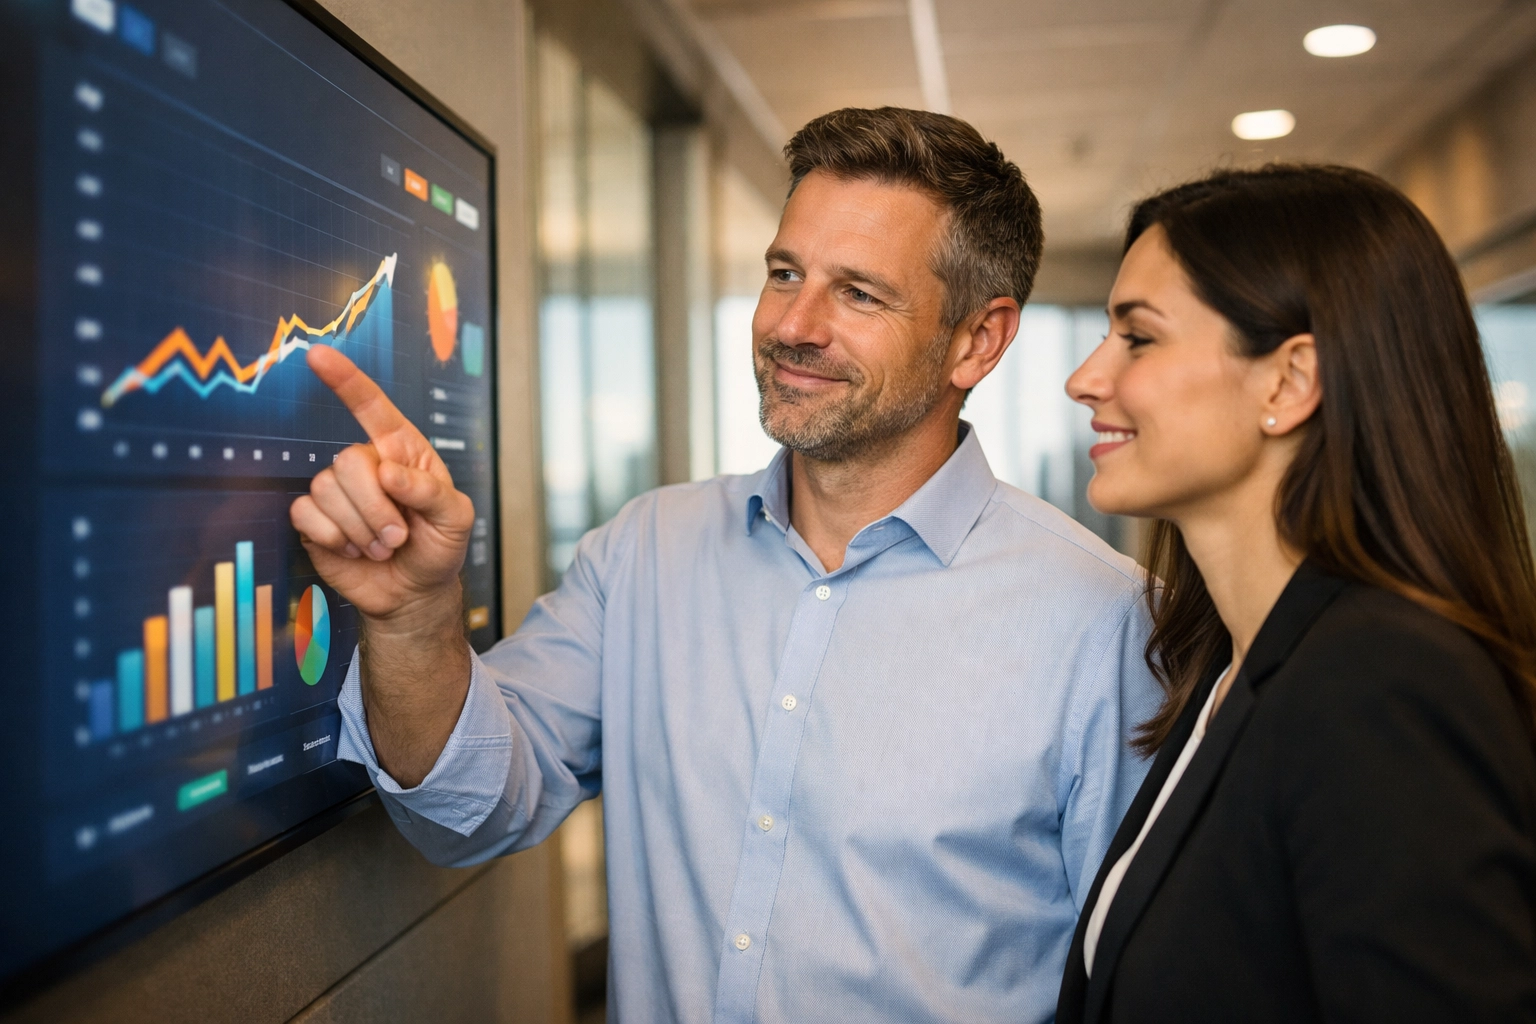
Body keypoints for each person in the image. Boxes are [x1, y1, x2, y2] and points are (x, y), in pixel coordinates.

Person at [291, 106, 1161, 1022]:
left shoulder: (1101, 621)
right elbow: (469, 809)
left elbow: (1140, 977)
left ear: (978, 340)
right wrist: (415, 616)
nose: (795, 325)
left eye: (860, 294)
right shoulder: (644, 554)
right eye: (785, 273)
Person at [1055, 163, 1536, 1023]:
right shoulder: (1233, 668)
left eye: (1139, 338)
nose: (1087, 379)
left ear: (1287, 382)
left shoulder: (1382, 683)